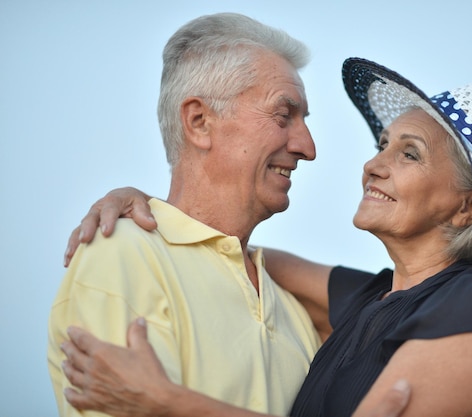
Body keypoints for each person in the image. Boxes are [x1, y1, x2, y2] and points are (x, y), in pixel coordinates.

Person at [60, 58, 472, 416]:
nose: (373, 166)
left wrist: (164, 402)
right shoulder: (371, 299)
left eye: (410, 153)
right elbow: (235, 251)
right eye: (382, 145)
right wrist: (149, 207)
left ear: (467, 208)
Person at [48, 12, 324, 417]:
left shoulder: (293, 309)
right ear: (199, 122)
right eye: (284, 116)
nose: (307, 146)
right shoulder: (122, 256)